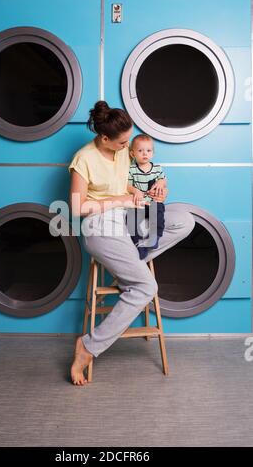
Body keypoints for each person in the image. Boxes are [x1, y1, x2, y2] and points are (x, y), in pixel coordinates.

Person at [68, 101, 195, 386]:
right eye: (124, 142)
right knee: (146, 286)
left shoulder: (121, 152)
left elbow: (124, 182)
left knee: (185, 220)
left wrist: (148, 191)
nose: (129, 147)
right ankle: (87, 347)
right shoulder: (83, 159)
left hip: (131, 217)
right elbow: (76, 207)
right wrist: (120, 201)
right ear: (104, 138)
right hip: (100, 225)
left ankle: (127, 267)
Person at [126, 134, 166, 260]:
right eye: (140, 151)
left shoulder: (157, 169)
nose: (145, 154)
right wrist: (135, 190)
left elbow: (164, 181)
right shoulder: (131, 169)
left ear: (152, 153)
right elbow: (126, 185)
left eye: (148, 151)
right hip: (139, 203)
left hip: (153, 201)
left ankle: (155, 237)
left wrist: (161, 182)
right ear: (133, 154)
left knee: (158, 215)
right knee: (131, 219)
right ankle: (138, 244)